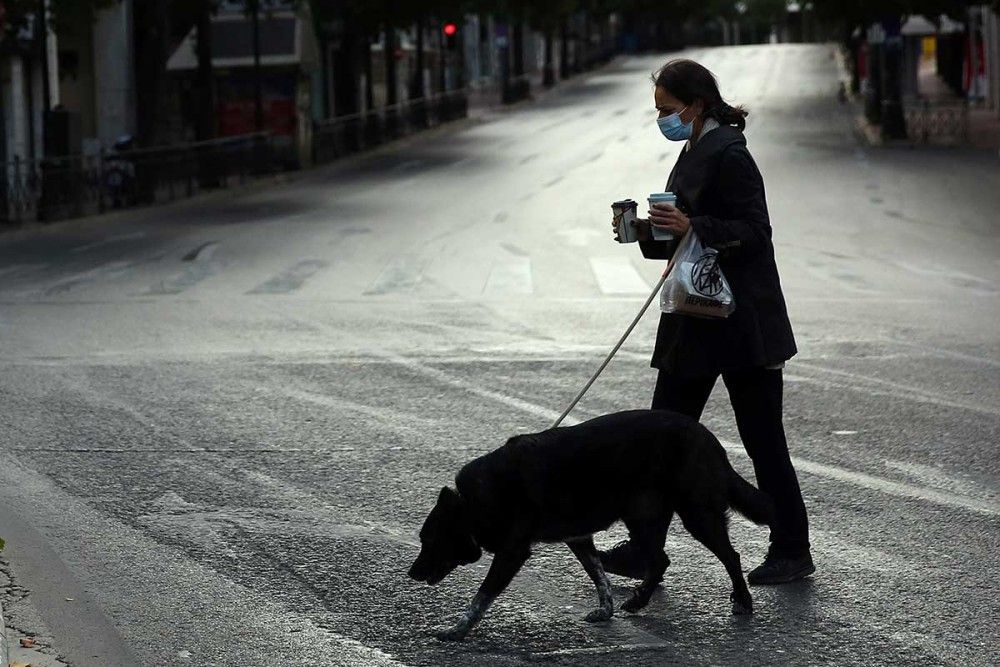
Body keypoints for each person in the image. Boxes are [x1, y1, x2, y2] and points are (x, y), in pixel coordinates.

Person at [601, 59, 813, 585]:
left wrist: (695, 223)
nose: (662, 120)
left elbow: (755, 231)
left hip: (742, 324)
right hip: (695, 321)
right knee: (661, 437)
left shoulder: (731, 153)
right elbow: (687, 236)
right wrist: (646, 232)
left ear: (696, 105)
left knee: (764, 441)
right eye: (658, 112)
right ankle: (646, 547)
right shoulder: (693, 148)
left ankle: (791, 548)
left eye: (668, 110)